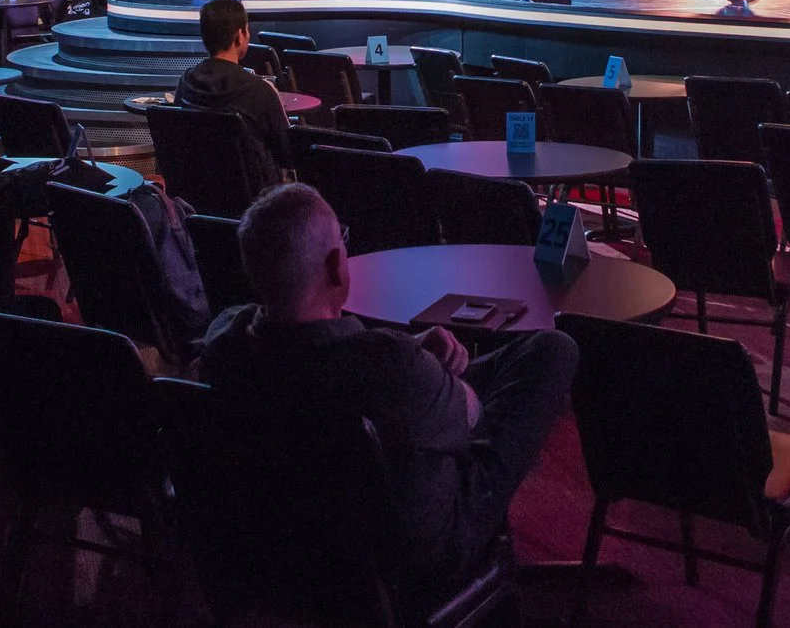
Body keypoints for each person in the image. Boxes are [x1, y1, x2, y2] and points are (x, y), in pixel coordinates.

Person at [200, 184, 577, 595]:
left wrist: (414, 353)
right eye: (341, 241)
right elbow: (471, 417)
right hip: (411, 560)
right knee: (554, 350)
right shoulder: (389, 368)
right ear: (334, 266)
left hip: (286, 546)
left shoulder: (224, 344)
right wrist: (419, 368)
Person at [176, 0, 293, 182]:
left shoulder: (187, 82)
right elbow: (288, 155)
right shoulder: (260, 91)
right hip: (256, 202)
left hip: (197, 191)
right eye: (247, 30)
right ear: (239, 36)